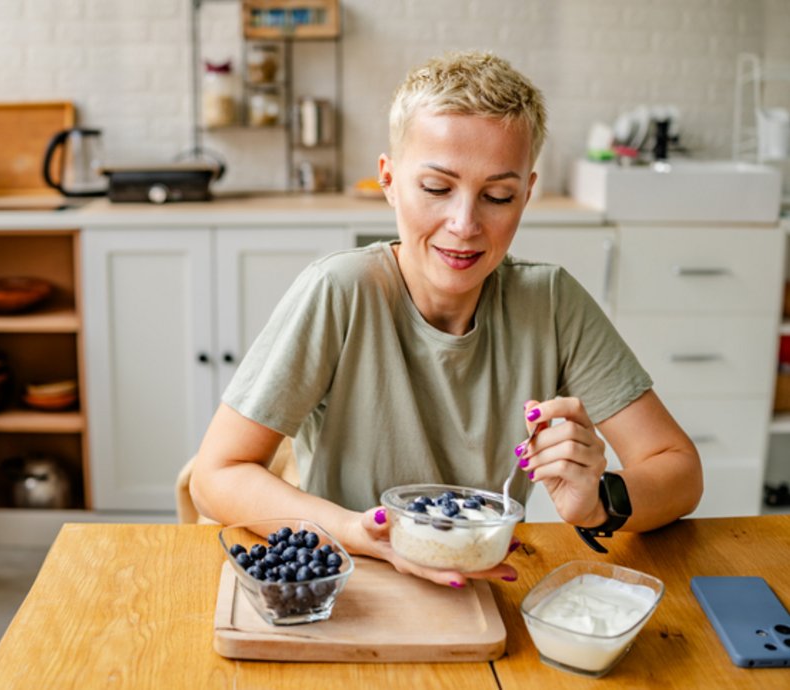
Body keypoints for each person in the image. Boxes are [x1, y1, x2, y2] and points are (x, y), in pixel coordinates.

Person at [190, 51, 702, 587]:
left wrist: (599, 501)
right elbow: (215, 475)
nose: (464, 224)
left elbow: (679, 469)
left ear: (526, 194)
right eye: (436, 188)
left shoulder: (551, 302)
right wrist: (359, 532)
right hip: (351, 576)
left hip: (487, 585)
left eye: (498, 196)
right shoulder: (339, 291)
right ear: (389, 181)